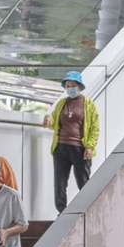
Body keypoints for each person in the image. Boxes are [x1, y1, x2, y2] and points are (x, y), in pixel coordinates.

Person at [42, 71, 99, 214]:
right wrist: (48, 118)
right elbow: (53, 120)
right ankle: (61, 212)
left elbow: (94, 128)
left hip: (80, 149)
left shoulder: (88, 104)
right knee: (59, 183)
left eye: (73, 85)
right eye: (67, 86)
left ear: (79, 86)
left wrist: (90, 147)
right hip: (61, 148)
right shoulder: (62, 103)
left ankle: (87, 211)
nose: (70, 88)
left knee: (83, 182)